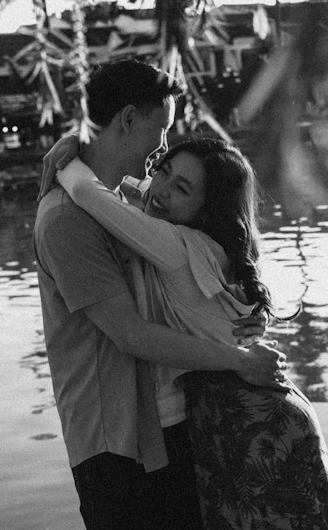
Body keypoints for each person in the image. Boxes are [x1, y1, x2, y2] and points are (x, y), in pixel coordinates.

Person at [42, 136, 328, 530]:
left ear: (206, 209)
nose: (161, 191)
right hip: (264, 408)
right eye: (164, 172)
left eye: (182, 188)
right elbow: (139, 193)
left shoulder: (174, 245)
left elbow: (90, 193)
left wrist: (66, 158)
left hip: (248, 420)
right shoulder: (208, 242)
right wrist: (82, 142)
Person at [34, 59, 286, 530]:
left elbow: (211, 251)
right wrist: (238, 358)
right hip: (117, 445)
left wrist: (249, 315)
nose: (163, 148)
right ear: (128, 119)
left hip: (167, 427)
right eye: (162, 129)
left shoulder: (129, 202)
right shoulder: (67, 221)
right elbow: (130, 334)